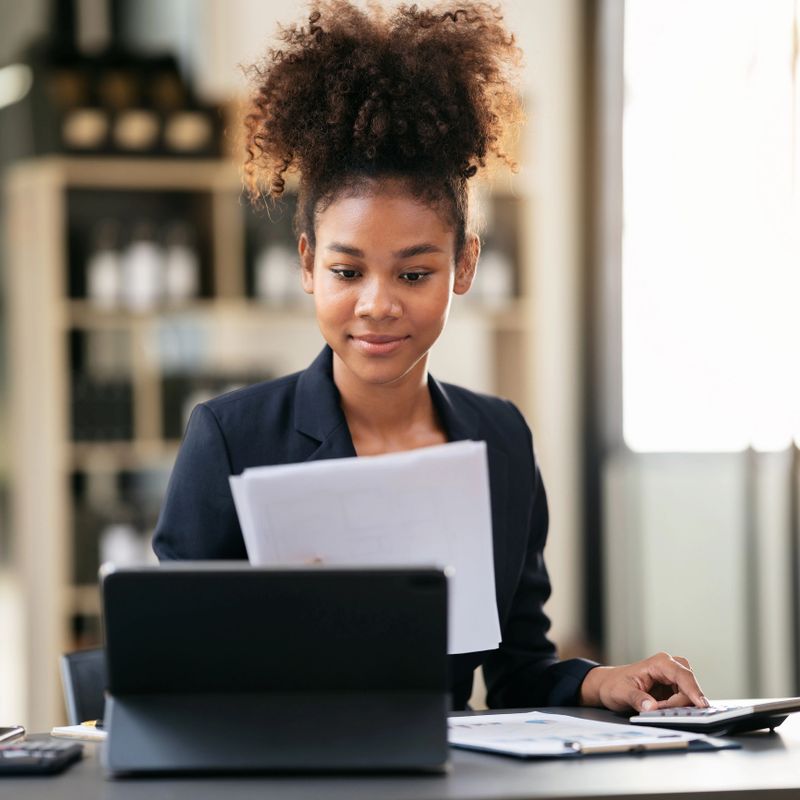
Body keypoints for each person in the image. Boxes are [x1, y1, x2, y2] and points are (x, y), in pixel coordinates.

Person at [153, 0, 708, 714]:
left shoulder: (498, 440)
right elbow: (169, 672)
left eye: (413, 274)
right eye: (348, 272)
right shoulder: (232, 440)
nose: (378, 304)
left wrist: (601, 680)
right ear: (306, 264)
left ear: (464, 265)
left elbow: (516, 670)